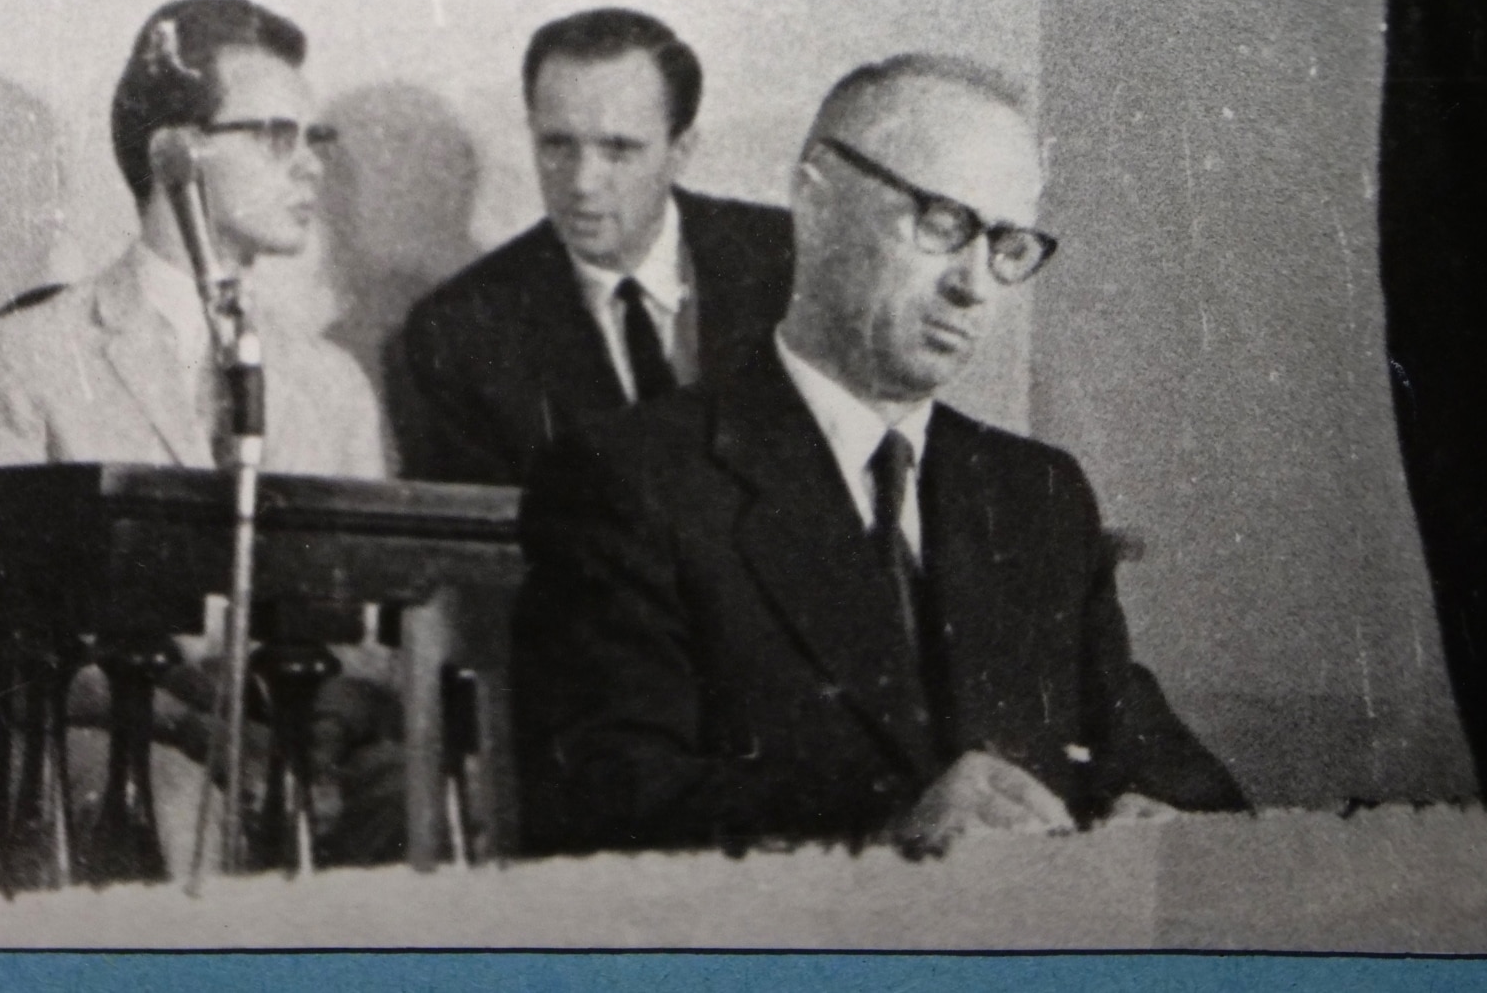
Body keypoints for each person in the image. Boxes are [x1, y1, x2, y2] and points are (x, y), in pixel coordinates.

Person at [511, 53, 1246, 856]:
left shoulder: (1034, 493)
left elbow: (1171, 769)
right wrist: (889, 822)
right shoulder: (631, 477)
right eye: (943, 223)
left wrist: (1166, 819)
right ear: (815, 203)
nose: (975, 284)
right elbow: (602, 798)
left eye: (1007, 245)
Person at [0, 0, 398, 867]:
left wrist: (315, 740)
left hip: (298, 741)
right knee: (169, 805)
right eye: (274, 136)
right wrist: (198, 727)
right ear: (173, 153)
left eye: (316, 140)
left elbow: (366, 635)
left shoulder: (334, 386)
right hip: (123, 743)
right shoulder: (28, 355)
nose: (311, 170)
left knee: (426, 808)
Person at [393, 8, 794, 485]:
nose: (582, 183)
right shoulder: (459, 332)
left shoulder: (791, 263)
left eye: (619, 150)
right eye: (557, 146)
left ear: (681, 151)